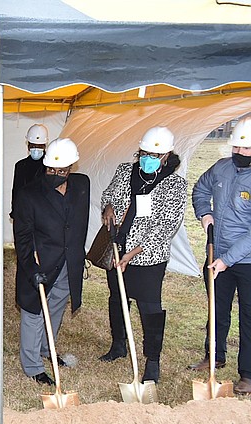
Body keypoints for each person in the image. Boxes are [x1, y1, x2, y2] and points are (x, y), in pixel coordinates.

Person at [100, 126, 186, 383]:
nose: (148, 158)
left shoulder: (174, 184)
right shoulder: (125, 171)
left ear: (167, 155)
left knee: (149, 307)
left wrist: (133, 253)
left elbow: (166, 226)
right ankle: (118, 345)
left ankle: (152, 360)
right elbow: (109, 194)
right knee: (117, 297)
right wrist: (108, 208)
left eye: (155, 155)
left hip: (148, 256)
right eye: (145, 153)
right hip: (117, 247)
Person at [13, 139, 89, 385]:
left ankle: (47, 348)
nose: (55, 175)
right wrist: (30, 268)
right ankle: (33, 365)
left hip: (69, 262)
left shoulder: (82, 185)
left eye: (62, 171)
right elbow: (22, 238)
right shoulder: (29, 195)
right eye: (50, 170)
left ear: (71, 167)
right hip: (40, 263)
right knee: (34, 312)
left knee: (56, 307)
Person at [190, 116, 251, 394]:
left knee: (248, 317)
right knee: (217, 309)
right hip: (216, 253)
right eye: (236, 148)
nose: (240, 154)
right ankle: (214, 356)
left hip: (245, 261)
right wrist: (205, 213)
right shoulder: (221, 168)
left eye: (246, 149)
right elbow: (200, 189)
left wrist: (227, 260)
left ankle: (248, 374)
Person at [10, 123, 48, 219]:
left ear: (44, 146)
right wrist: (15, 212)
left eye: (39, 146)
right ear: (28, 146)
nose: (36, 149)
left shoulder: (50, 166)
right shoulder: (20, 166)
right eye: (33, 146)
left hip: (44, 215)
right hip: (24, 214)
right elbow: (16, 191)